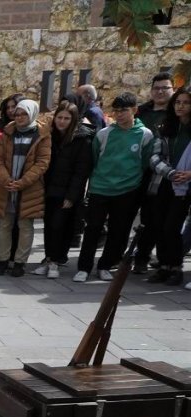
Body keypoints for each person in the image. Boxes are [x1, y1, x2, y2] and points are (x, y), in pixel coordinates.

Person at [73, 93, 155, 282]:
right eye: (116, 111)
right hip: (100, 188)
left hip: (127, 190)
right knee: (93, 229)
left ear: (134, 110)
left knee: (118, 231)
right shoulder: (104, 133)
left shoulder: (145, 134)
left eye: (124, 110)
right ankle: (83, 267)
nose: (119, 115)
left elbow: (144, 162)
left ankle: (105, 265)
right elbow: (95, 158)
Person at [0, 99, 51, 278]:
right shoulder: (8, 132)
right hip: (6, 186)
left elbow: (42, 163)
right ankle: (2, 260)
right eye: (17, 114)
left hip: (29, 187)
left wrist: (23, 182)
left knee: (25, 225)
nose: (20, 117)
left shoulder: (42, 134)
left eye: (24, 113)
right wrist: (5, 179)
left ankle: (20, 262)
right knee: (4, 223)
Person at [37, 101, 93, 280]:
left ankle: (56, 261)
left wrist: (72, 196)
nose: (62, 121)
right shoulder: (50, 136)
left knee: (59, 226)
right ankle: (48, 258)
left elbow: (81, 171)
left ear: (73, 120)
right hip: (49, 189)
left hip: (67, 191)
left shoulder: (81, 139)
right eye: (59, 117)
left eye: (66, 118)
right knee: (48, 226)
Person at [132, 72, 179, 275]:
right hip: (136, 172)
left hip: (163, 175)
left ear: (173, 90)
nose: (160, 92)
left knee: (155, 218)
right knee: (131, 216)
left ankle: (147, 258)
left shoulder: (176, 114)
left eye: (165, 88)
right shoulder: (140, 112)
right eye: (156, 88)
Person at [147, 87, 191, 286]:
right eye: (178, 102)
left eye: (185, 103)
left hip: (185, 186)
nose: (180, 106)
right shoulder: (166, 127)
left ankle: (175, 267)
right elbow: (155, 157)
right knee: (158, 225)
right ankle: (163, 266)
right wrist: (170, 173)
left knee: (172, 226)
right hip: (165, 182)